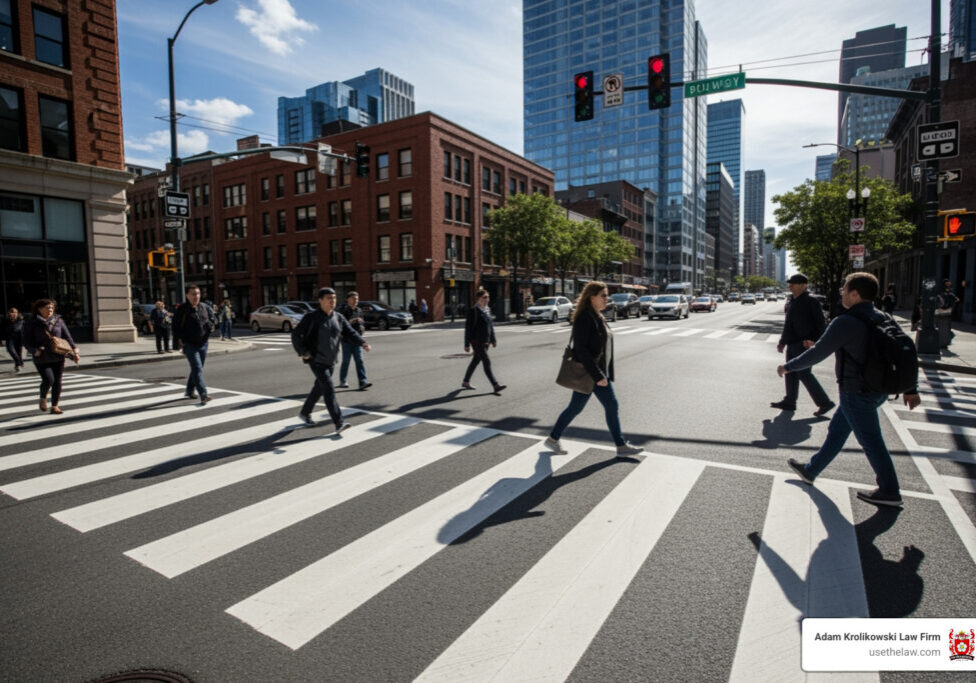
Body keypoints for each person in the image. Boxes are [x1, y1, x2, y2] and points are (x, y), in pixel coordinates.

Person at [781, 272, 921, 507]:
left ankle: (889, 490)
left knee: (871, 441)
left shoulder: (845, 321)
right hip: (877, 390)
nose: (842, 293)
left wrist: (788, 367)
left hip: (857, 392)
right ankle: (811, 470)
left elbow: (817, 354)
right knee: (837, 431)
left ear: (855, 294)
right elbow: (905, 351)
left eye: (845, 289)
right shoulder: (883, 317)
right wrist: (910, 387)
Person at [545, 281, 643, 457]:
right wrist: (598, 375)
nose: (607, 298)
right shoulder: (585, 318)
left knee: (575, 407)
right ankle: (621, 447)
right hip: (591, 372)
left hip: (594, 372)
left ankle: (552, 439)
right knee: (611, 405)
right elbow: (581, 350)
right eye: (603, 295)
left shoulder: (597, 315)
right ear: (592, 297)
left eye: (607, 295)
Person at [292, 287, 371, 430]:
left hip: (331, 359)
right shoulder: (311, 317)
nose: (332, 301)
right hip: (315, 359)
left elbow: (351, 332)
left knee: (319, 388)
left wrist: (362, 342)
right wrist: (302, 351)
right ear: (320, 300)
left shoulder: (338, 317)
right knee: (328, 389)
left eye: (334, 298)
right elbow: (295, 335)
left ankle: (305, 413)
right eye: (329, 298)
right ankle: (339, 422)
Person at [771, 273, 834, 416]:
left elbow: (821, 324)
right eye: (790, 283)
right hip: (793, 343)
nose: (790, 285)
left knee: (804, 373)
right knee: (790, 373)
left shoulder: (811, 301)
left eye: (794, 283)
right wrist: (782, 342)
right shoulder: (792, 300)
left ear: (803, 285)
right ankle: (790, 401)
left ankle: (825, 402)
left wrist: (814, 341)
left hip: (805, 344)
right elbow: (788, 324)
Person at [23, 299, 80, 414]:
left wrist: (75, 351)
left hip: (58, 355)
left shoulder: (58, 321)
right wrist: (34, 351)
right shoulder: (31, 323)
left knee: (57, 381)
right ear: (39, 309)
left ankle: (55, 406)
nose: (50, 309)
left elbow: (67, 337)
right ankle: (43, 398)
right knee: (49, 379)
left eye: (51, 307)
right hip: (42, 356)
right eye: (47, 307)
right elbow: (26, 341)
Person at [171, 285, 215, 404]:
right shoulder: (182, 309)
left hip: (203, 343)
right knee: (197, 368)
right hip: (189, 344)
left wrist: (210, 327)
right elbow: (175, 327)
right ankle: (203, 394)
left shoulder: (205, 307)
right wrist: (177, 343)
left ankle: (189, 390)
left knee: (197, 369)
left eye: (198, 293)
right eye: (193, 294)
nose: (196, 296)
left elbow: (212, 319)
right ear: (187, 295)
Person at [461, 289, 506, 393]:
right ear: (478, 299)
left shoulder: (487, 310)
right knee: (486, 361)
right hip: (476, 341)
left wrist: (493, 339)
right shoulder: (473, 311)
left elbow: (490, 326)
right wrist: (466, 344)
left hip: (486, 341)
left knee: (475, 361)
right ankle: (495, 385)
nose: (487, 299)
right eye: (484, 297)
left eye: (488, 297)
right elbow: (468, 328)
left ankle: (465, 381)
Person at [336, 291, 371, 390]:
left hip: (357, 340)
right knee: (346, 361)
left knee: (359, 361)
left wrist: (362, 327)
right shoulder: (343, 310)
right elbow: (340, 325)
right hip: (346, 340)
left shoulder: (359, 310)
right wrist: (351, 321)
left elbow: (362, 322)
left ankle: (363, 381)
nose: (356, 301)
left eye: (357, 299)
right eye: (354, 298)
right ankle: (343, 380)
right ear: (348, 299)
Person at [936, 279, 958, 349]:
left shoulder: (950, 293)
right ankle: (941, 342)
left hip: (947, 313)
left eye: (949, 284)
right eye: (947, 284)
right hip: (941, 312)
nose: (948, 286)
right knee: (941, 327)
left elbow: (955, 299)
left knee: (946, 328)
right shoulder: (941, 292)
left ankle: (944, 343)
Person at [1, 307, 25, 372]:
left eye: (15, 312)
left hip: (19, 339)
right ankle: (19, 362)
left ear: (17, 313)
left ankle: (18, 365)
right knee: (11, 351)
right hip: (9, 338)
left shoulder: (21, 320)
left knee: (18, 353)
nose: (13, 314)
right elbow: (2, 330)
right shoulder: (5, 321)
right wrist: (2, 339)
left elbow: (20, 329)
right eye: (12, 312)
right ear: (9, 313)